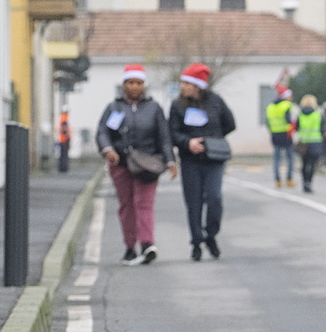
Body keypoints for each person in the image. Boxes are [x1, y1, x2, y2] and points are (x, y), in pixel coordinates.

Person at [96, 65, 176, 265]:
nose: (134, 86)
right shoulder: (113, 108)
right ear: (124, 84)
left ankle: (147, 244)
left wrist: (170, 160)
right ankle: (130, 247)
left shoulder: (154, 108)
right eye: (131, 82)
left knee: (144, 203)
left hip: (147, 165)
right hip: (121, 164)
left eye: (139, 83)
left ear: (144, 85)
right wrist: (108, 149)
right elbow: (103, 132)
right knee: (127, 205)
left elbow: (164, 137)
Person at [169, 63, 235, 261]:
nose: (182, 86)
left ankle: (211, 234)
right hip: (190, 160)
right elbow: (172, 132)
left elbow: (230, 124)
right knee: (194, 202)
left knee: (214, 198)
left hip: (213, 159)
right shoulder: (177, 105)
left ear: (197, 86)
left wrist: (212, 139)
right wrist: (187, 142)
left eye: (186, 83)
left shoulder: (216, 101)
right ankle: (196, 241)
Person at [266, 84, 298, 188]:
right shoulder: (287, 106)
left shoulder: (270, 107)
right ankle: (289, 180)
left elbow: (268, 122)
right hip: (286, 135)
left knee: (277, 159)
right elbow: (289, 120)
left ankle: (277, 180)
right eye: (290, 96)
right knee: (290, 158)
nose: (291, 98)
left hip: (275, 135)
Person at [296, 94, 326, 193]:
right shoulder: (317, 115)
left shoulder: (300, 115)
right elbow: (322, 129)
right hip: (315, 142)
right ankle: (309, 182)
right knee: (312, 164)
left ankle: (304, 182)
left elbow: (297, 128)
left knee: (304, 164)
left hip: (303, 143)